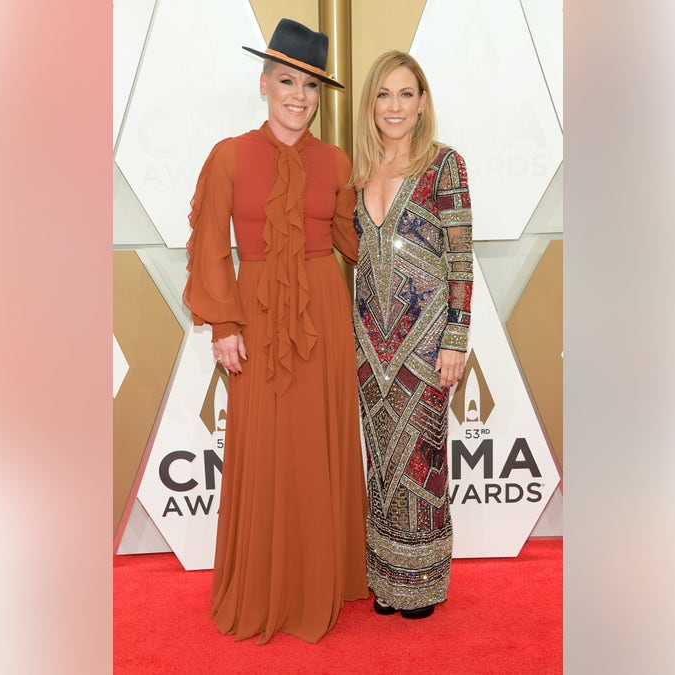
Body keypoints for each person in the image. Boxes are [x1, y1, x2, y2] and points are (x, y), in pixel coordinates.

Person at [181, 18, 367, 644]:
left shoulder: (336, 161)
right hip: (256, 318)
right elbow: (210, 243)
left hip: (324, 318)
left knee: (319, 442)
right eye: (287, 81)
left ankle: (321, 581)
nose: (299, 97)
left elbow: (350, 241)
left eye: (311, 88)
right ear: (264, 84)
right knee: (265, 448)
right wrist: (223, 322)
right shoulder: (229, 155)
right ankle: (266, 585)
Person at [349, 50, 473, 620]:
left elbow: (461, 259)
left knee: (422, 459)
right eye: (383, 94)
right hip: (370, 346)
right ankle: (386, 576)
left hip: (426, 348)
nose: (394, 106)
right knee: (381, 459)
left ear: (422, 102)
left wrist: (456, 338)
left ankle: (422, 582)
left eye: (406, 94)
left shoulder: (446, 166)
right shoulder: (358, 171)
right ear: (370, 104)